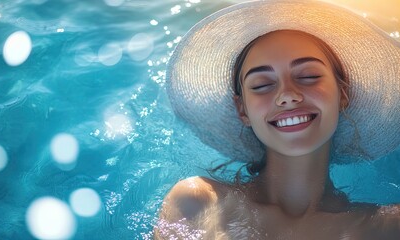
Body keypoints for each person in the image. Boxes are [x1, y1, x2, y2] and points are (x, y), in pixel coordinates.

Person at [155, 0, 400, 239]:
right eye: (262, 85)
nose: (287, 95)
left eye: (309, 76)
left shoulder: (388, 226)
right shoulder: (198, 204)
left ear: (343, 94)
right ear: (242, 110)